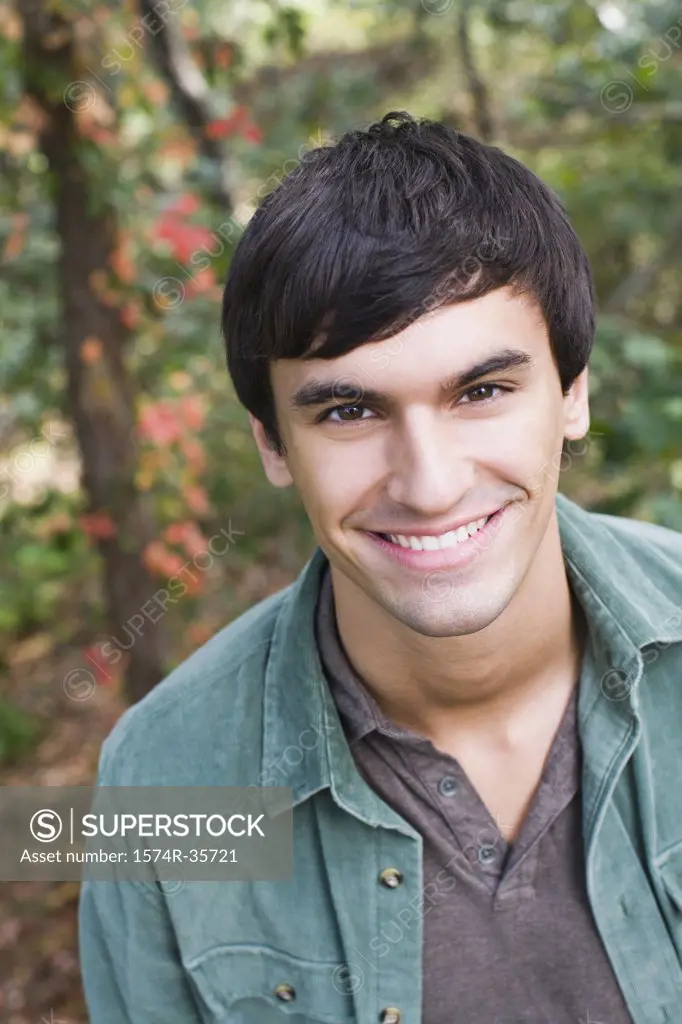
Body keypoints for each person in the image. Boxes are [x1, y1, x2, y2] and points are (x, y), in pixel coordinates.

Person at [79, 111, 682, 1024]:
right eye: (349, 412)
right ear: (274, 445)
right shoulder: (161, 781)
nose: (431, 486)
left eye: (482, 392)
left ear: (573, 394)